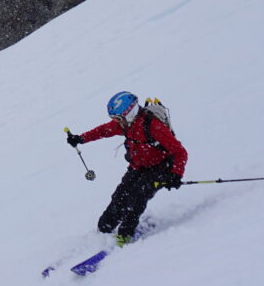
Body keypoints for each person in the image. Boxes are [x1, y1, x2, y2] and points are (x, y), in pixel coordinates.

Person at [67, 91, 187, 246]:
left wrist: (175, 175)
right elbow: (103, 131)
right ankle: (104, 229)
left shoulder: (153, 127)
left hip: (159, 168)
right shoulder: (125, 125)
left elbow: (179, 152)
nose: (116, 122)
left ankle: (125, 235)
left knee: (137, 197)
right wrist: (81, 138)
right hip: (138, 167)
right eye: (114, 119)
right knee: (120, 196)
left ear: (129, 114)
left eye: (118, 118)